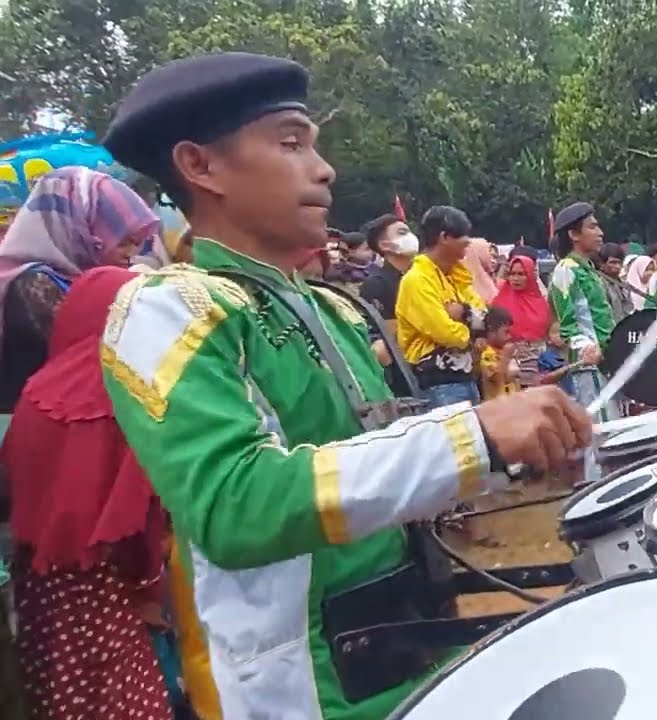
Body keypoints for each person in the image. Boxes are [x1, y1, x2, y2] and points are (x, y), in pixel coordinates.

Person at [99, 51, 592, 719]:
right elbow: (234, 504)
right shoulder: (170, 310)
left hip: (410, 639)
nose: (324, 168)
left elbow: (375, 452)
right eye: (291, 143)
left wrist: (512, 448)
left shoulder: (331, 306)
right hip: (302, 687)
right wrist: (471, 437)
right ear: (200, 165)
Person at [2, 265, 173, 720]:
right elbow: (133, 521)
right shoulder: (120, 393)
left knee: (57, 693)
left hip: (39, 583)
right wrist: (151, 588)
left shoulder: (37, 390)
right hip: (109, 595)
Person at [0, 167, 160, 413]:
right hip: (30, 419)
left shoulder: (76, 276)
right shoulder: (34, 284)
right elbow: (94, 359)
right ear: (81, 230)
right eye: (122, 243)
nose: (131, 254)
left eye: (136, 244)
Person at [397, 205, 486, 407]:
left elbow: (487, 318)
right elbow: (445, 332)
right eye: (463, 235)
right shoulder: (416, 280)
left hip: (467, 378)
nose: (468, 241)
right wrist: (474, 332)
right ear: (444, 237)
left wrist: (463, 312)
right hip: (438, 384)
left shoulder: (457, 277)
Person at [549, 201, 619, 420]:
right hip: (588, 366)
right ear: (573, 234)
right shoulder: (566, 269)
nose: (600, 232)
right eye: (592, 227)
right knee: (601, 429)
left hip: (605, 362)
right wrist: (588, 350)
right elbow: (568, 326)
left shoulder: (588, 269)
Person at [490, 254, 553, 387]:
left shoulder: (541, 304)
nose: (516, 278)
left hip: (538, 368)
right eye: (512, 274)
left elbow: (548, 333)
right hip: (508, 368)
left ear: (530, 275)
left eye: (521, 274)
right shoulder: (498, 302)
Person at [358, 213, 418, 332]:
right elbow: (377, 329)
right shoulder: (375, 284)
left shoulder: (423, 275)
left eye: (410, 232)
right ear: (384, 245)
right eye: (402, 233)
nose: (410, 237)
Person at [478, 306, 520, 400]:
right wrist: (506, 358)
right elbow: (497, 378)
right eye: (506, 332)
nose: (509, 336)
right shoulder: (487, 353)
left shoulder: (505, 351)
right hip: (497, 404)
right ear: (491, 330)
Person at [596, 242, 631, 321]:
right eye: (613, 262)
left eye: (619, 262)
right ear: (601, 264)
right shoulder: (598, 284)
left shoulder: (624, 285)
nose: (617, 266)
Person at [463, 236, 499, 303]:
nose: (494, 261)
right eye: (490, 256)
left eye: (495, 257)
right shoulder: (462, 282)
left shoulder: (492, 281)